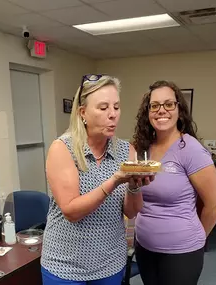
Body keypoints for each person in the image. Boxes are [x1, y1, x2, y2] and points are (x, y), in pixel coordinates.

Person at [41, 74, 154, 285]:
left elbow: (131, 211)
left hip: (110, 262)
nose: (113, 115)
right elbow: (71, 211)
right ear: (83, 113)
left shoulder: (126, 151)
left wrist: (134, 186)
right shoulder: (63, 149)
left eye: (116, 107)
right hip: (65, 266)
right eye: (103, 108)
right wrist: (114, 181)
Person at [133, 80, 216, 285]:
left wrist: (199, 238)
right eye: (154, 105)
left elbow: (215, 202)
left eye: (168, 104)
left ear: (179, 109)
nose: (161, 110)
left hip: (181, 252)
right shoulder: (144, 149)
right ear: (147, 112)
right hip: (145, 247)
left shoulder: (190, 150)